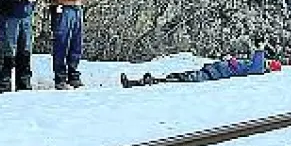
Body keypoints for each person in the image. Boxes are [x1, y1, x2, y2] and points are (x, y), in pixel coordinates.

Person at [120, 49, 282, 87]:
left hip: (214, 74)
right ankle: (149, 80)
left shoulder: (257, 67)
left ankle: (149, 81)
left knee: (183, 78)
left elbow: (257, 59)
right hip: (213, 70)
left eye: (269, 63)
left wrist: (261, 49)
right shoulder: (254, 66)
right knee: (182, 75)